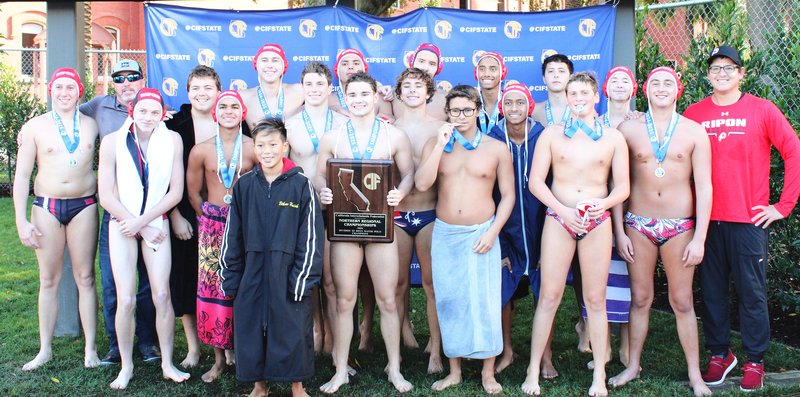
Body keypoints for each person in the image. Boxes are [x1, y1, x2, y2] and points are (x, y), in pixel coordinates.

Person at [683, 45, 800, 392]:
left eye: (729, 68)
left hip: (748, 221)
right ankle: (720, 354)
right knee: (712, 292)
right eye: (716, 68)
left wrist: (783, 205)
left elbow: (793, 150)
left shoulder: (762, 110)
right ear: (708, 75)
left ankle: (754, 360)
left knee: (751, 293)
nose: (722, 73)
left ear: (741, 74)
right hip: (705, 221)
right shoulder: (694, 113)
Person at [523, 72, 630, 397]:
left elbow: (622, 187)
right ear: (567, 98)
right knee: (549, 297)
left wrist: (603, 204)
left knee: (596, 300)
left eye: (585, 92)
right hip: (560, 218)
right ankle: (532, 371)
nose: (579, 98)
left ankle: (599, 373)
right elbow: (535, 182)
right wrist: (564, 210)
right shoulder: (553, 135)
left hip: (597, 223)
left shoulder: (613, 138)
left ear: (596, 97)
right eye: (573, 93)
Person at [608, 66, 713, 397]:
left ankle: (695, 375)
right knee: (640, 298)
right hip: (638, 224)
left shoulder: (695, 132)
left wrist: (700, 238)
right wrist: (619, 231)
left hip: (679, 226)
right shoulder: (628, 129)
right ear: (646, 90)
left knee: (682, 301)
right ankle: (632, 365)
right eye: (655, 83)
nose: (662, 88)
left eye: (669, 82)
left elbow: (706, 187)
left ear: (678, 90)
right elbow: (616, 183)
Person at [316, 72, 415, 394]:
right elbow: (319, 175)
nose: (358, 100)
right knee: (345, 300)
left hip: (381, 227)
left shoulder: (393, 136)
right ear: (345, 99)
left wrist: (400, 192)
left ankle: (395, 368)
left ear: (376, 97)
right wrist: (324, 192)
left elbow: (409, 173)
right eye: (352, 94)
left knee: (388, 299)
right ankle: (341, 368)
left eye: (364, 94)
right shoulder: (332, 136)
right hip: (344, 228)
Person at [415, 85, 514, 394]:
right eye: (454, 111)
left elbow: (508, 196)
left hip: (482, 232)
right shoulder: (436, 143)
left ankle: (487, 372)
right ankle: (454, 369)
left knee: (485, 301)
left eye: (466, 110)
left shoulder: (496, 148)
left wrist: (493, 231)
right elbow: (421, 184)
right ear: (447, 113)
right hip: (446, 232)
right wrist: (439, 146)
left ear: (477, 111)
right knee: (449, 300)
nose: (460, 116)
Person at [220, 118, 324, 397]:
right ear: (254, 148)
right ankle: (259, 386)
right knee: (251, 328)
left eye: (273, 145)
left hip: (288, 271)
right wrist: (232, 278)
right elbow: (232, 235)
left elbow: (311, 238)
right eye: (261, 145)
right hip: (251, 272)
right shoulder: (244, 187)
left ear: (285, 146)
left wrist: (302, 278)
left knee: (292, 328)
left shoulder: (301, 186)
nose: (267, 151)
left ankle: (297, 386)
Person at [97, 88, 189, 389]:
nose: (148, 116)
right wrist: (134, 223)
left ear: (162, 113)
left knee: (161, 295)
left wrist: (145, 222)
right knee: (125, 299)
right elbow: (106, 195)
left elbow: (175, 192)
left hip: (153, 222)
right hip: (122, 223)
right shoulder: (112, 142)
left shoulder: (172, 140)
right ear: (132, 111)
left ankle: (167, 363)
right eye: (143, 111)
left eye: (154, 111)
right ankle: (125, 366)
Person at [13, 68, 100, 371]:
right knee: (48, 280)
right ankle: (44, 349)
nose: (64, 93)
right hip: (47, 207)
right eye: (59, 87)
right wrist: (21, 221)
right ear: (51, 90)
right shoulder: (34, 127)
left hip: (85, 206)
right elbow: (22, 176)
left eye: (71, 87)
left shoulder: (92, 123)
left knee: (86, 278)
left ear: (80, 91)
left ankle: (91, 350)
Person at [80, 59, 160, 366]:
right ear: (112, 82)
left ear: (143, 79)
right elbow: (67, 109)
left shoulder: (154, 108)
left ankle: (148, 343)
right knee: (114, 279)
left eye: (132, 77)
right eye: (119, 78)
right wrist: (29, 130)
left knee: (147, 281)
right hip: (115, 210)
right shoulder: (99, 106)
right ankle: (116, 345)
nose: (126, 83)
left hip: (150, 211)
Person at [186, 90, 256, 382]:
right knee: (213, 292)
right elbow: (193, 192)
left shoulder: (255, 147)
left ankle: (244, 352)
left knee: (246, 288)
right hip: (213, 225)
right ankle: (218, 359)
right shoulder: (201, 150)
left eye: (234, 106)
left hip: (248, 225)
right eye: (223, 106)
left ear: (243, 113)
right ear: (215, 112)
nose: (228, 110)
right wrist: (207, 220)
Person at [485, 83, 551, 376]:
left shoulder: (542, 137)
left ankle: (546, 355)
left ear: (530, 106)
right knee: (503, 290)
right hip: (506, 226)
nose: (514, 108)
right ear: (502, 106)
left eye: (520, 103)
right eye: (508, 102)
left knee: (545, 290)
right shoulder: (493, 138)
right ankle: (507, 349)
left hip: (540, 224)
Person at [285, 61, 348, 355]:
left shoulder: (344, 121)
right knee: (307, 279)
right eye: (308, 84)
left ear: (329, 87)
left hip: (336, 208)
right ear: (302, 88)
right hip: (301, 209)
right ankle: (316, 330)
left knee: (333, 281)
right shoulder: (289, 123)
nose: (313, 89)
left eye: (319, 84)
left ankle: (337, 343)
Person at [164, 64, 221, 370]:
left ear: (218, 91)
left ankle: (224, 346)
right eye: (195, 88)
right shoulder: (174, 126)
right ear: (187, 93)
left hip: (224, 214)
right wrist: (173, 214)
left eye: (207, 88)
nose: (201, 94)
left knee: (223, 280)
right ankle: (194, 348)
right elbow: (162, 177)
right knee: (187, 280)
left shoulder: (232, 119)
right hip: (185, 215)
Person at [392, 67, 447, 373]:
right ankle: (398, 348)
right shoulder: (385, 127)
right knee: (398, 284)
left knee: (431, 285)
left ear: (429, 93)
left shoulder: (441, 128)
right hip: (398, 215)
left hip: (429, 214)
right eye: (407, 86)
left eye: (419, 85)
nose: (413, 90)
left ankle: (436, 352)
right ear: (399, 94)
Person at [240, 43, 304, 128]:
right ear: (256, 65)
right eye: (264, 60)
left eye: (275, 60)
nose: (270, 65)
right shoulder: (243, 97)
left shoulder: (300, 91)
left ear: (283, 65)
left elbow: (326, 95)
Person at [389, 43, 448, 121]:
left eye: (432, 64)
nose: (425, 68)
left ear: (438, 68)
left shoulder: (447, 99)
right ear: (412, 63)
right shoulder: (391, 95)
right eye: (421, 61)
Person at [533, 54, 573, 127]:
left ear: (570, 78)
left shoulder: (580, 110)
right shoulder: (534, 111)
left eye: (561, 71)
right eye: (551, 71)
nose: (556, 75)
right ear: (544, 79)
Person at [475, 52, 506, 134]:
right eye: (482, 69)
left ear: (502, 73)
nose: (486, 74)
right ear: (476, 73)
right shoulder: (469, 103)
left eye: (493, 69)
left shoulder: (511, 103)